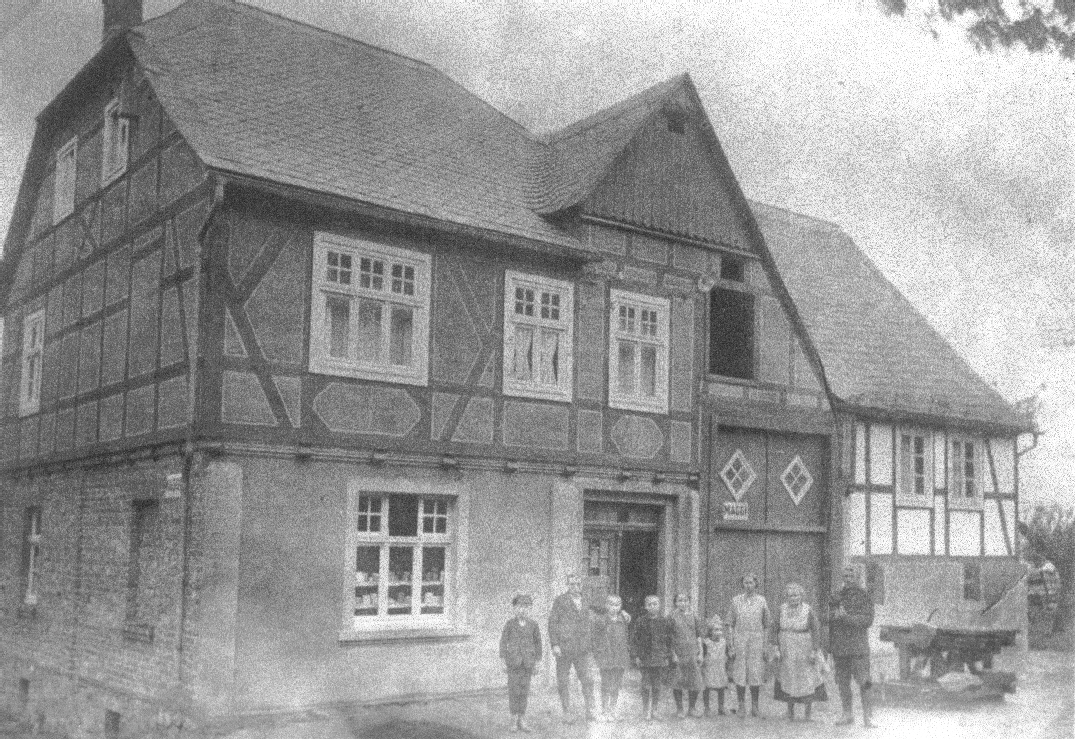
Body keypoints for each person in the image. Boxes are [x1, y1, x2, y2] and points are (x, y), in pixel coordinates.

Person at [770, 582, 827, 721]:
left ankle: (807, 714)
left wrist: (814, 650)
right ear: (786, 597)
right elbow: (774, 629)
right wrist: (776, 648)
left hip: (804, 646)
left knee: (807, 677)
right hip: (786, 647)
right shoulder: (781, 609)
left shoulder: (808, 610)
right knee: (789, 676)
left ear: (801, 596)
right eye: (790, 596)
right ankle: (790, 712)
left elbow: (816, 630)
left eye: (796, 595)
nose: (793, 598)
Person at [830, 564, 876, 728]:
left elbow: (868, 620)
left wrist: (847, 618)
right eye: (845, 576)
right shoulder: (836, 595)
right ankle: (847, 714)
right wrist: (833, 616)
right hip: (840, 647)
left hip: (858, 647)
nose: (848, 579)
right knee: (843, 682)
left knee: (865, 682)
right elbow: (828, 617)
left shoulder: (864, 595)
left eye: (851, 576)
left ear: (858, 578)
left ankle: (868, 716)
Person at [548, 574, 598, 722]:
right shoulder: (560, 601)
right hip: (564, 647)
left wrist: (621, 612)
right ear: (568, 585)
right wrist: (555, 644)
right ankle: (567, 712)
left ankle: (590, 710)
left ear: (581, 585)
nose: (575, 587)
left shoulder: (587, 600)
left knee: (587, 679)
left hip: (582, 648)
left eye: (577, 584)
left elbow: (603, 610)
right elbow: (553, 622)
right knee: (563, 680)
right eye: (572, 584)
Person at [726, 573, 771, 718]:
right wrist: (731, 644)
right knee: (740, 672)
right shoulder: (736, 600)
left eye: (751, 582)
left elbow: (766, 625)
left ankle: (755, 707)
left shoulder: (762, 601)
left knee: (755, 673)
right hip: (740, 640)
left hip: (756, 640)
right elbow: (730, 624)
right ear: (742, 584)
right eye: (746, 582)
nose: (748, 585)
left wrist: (765, 645)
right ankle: (741, 706)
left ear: (756, 584)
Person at [500, 593, 542, 733]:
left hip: (527, 664)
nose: (522, 610)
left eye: (525, 607)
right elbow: (503, 642)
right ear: (514, 608)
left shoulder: (533, 625)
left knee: (524, 691)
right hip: (513, 663)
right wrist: (503, 661)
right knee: (514, 691)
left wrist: (537, 662)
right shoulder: (510, 624)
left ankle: (522, 719)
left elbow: (538, 644)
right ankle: (513, 719)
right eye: (519, 607)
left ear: (530, 609)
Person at [630, 595, 676, 721]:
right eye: (649, 604)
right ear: (646, 607)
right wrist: (636, 656)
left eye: (655, 604)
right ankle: (645, 710)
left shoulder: (664, 622)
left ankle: (654, 710)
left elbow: (669, 640)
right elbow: (634, 640)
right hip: (645, 659)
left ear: (659, 605)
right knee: (645, 685)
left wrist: (667, 656)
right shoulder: (640, 621)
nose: (652, 606)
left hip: (659, 658)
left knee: (657, 686)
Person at [592, 594, 631, 718]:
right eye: (611, 604)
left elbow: (626, 637)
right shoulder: (601, 620)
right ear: (606, 605)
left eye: (617, 605)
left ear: (621, 606)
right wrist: (598, 654)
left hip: (619, 657)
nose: (614, 608)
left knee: (616, 684)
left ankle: (612, 708)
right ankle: (604, 709)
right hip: (606, 657)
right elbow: (595, 639)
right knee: (606, 684)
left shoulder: (623, 619)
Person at [669, 593, 705, 718]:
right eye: (680, 600)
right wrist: (673, 654)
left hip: (692, 652)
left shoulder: (694, 616)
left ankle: (692, 708)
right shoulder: (672, 617)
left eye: (685, 600)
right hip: (679, 652)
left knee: (694, 680)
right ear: (675, 603)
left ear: (689, 602)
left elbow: (698, 635)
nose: (683, 603)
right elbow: (670, 637)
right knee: (677, 680)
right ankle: (680, 709)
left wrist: (701, 652)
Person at [700, 616, 730, 716]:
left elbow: (726, 654)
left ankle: (721, 707)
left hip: (720, 667)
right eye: (716, 630)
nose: (719, 632)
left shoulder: (723, 642)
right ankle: (707, 708)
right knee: (707, 687)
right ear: (710, 631)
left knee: (721, 687)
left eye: (720, 630)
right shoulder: (706, 643)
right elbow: (703, 655)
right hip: (709, 667)